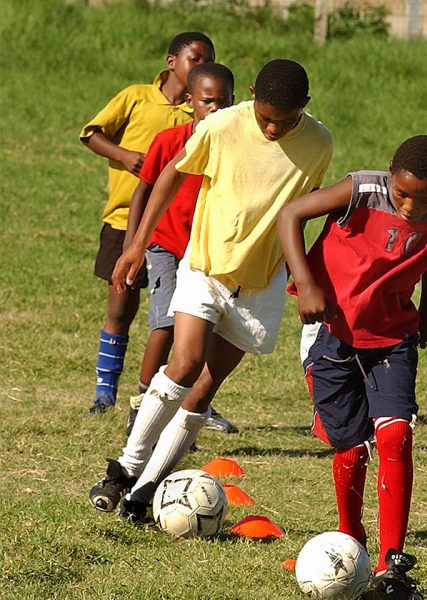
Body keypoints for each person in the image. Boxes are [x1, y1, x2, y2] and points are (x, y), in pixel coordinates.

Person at [87, 59, 334, 520]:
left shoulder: (320, 143)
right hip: (204, 265)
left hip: (260, 284)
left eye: (286, 119)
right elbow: (171, 175)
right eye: (265, 117)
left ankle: (144, 492)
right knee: (184, 363)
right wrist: (136, 243)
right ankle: (124, 468)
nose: (274, 128)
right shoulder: (223, 125)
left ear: (306, 106)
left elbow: (300, 210)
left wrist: (306, 276)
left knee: (205, 388)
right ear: (253, 94)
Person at [278, 135, 427, 600]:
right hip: (331, 331)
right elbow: (290, 214)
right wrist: (305, 282)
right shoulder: (360, 190)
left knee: (396, 436)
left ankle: (391, 565)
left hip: (393, 337)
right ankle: (350, 540)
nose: (410, 206)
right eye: (402, 193)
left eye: (424, 198)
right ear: (389, 174)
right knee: (351, 447)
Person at [79, 32, 215, 417]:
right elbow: (90, 133)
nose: (201, 66)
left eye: (208, 60)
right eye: (195, 58)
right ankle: (105, 392)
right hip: (126, 221)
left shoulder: (205, 115)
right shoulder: (137, 97)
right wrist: (125, 155)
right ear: (172, 62)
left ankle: (177, 398)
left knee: (183, 321)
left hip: (179, 232)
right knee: (121, 306)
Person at [122, 63, 237, 440]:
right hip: (166, 245)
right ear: (190, 102)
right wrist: (133, 244)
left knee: (200, 335)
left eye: (224, 102)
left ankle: (187, 405)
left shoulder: (237, 146)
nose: (215, 110)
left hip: (207, 253)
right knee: (167, 324)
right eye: (207, 102)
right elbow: (144, 190)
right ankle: (142, 401)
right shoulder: (170, 141)